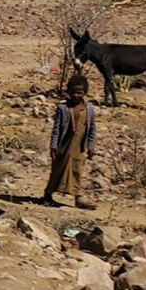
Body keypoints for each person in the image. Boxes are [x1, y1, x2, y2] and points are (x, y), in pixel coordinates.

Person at [42, 74, 98, 209]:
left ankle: (78, 197)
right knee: (58, 169)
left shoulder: (89, 109)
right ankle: (48, 195)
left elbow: (92, 129)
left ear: (85, 92)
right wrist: (53, 146)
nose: (76, 95)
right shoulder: (63, 108)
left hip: (79, 146)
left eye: (79, 93)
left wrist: (91, 146)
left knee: (77, 170)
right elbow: (56, 129)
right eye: (73, 92)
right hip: (64, 145)